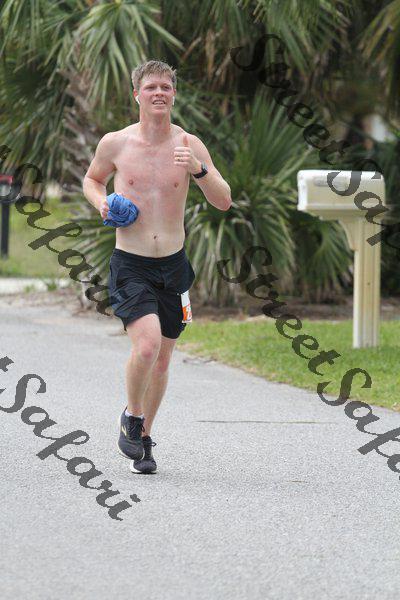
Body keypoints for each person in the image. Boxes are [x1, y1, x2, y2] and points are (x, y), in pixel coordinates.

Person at [82, 60, 232, 474]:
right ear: (137, 95)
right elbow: (92, 180)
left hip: (174, 267)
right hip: (130, 263)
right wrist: (102, 204)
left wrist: (199, 170)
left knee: (163, 361)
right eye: (151, 87)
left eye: (166, 86)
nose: (159, 93)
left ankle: (144, 438)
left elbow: (224, 200)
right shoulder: (116, 143)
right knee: (146, 346)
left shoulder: (189, 144)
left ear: (174, 94)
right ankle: (131, 419)